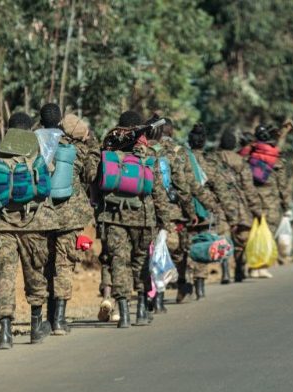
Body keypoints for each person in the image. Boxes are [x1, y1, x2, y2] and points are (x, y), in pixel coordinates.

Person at [96, 111, 172, 327]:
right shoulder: (148, 156)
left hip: (113, 216)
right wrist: (164, 223)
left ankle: (123, 313)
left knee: (118, 262)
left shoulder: (109, 151)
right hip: (143, 217)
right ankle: (140, 307)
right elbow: (159, 193)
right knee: (141, 262)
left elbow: (97, 184)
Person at [0, 111, 54, 348]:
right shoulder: (37, 152)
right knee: (35, 273)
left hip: (3, 225)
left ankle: (5, 331)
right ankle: (36, 327)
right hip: (33, 222)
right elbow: (46, 185)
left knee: (4, 277)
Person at [45, 112, 101, 333]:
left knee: (47, 265)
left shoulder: (46, 146)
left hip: (45, 215)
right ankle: (59, 319)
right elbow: (91, 176)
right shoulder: (80, 151)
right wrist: (93, 145)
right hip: (71, 217)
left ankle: (46, 318)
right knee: (64, 266)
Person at [145, 116, 198, 310]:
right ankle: (163, 295)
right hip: (169, 211)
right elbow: (184, 186)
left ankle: (151, 297)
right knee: (168, 252)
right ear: (171, 132)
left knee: (149, 252)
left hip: (143, 210)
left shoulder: (140, 150)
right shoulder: (176, 152)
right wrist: (191, 211)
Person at [205, 128, 262, 282]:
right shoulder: (240, 161)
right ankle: (239, 267)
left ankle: (225, 271)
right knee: (242, 238)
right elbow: (248, 188)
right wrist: (256, 209)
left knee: (223, 236)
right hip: (239, 204)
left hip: (219, 202)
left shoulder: (211, 159)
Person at [184, 123, 230, 297]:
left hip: (186, 210)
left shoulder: (183, 159)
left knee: (186, 245)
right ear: (204, 142)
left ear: (189, 141)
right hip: (205, 210)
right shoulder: (210, 163)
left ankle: (186, 279)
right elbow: (221, 189)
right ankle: (200, 284)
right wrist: (224, 211)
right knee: (202, 244)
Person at [246, 123, 291, 274]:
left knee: (253, 232)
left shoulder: (248, 156)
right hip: (270, 201)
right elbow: (282, 186)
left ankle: (252, 265)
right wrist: (286, 206)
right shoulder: (276, 159)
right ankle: (262, 266)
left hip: (252, 200)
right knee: (268, 233)